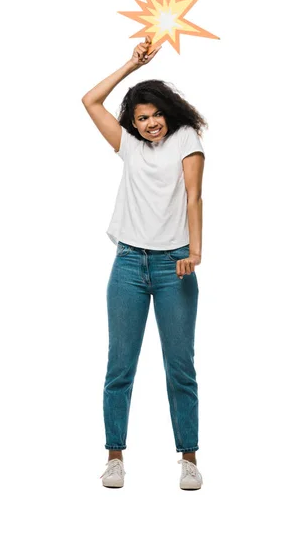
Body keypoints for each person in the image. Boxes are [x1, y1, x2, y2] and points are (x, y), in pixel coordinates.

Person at [81, 36, 206, 490]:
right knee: (120, 366)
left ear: (168, 113)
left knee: (180, 367)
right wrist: (130, 65)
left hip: (176, 267)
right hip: (129, 265)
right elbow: (89, 99)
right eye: (141, 118)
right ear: (132, 124)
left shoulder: (187, 139)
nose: (151, 124)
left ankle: (188, 459)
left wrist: (195, 251)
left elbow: (194, 195)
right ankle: (115, 457)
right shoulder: (128, 147)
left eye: (155, 115)